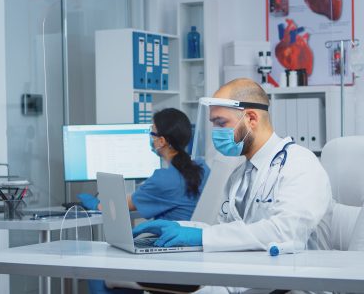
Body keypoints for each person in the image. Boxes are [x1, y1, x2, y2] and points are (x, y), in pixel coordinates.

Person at [132, 78, 333, 293]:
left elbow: (285, 233)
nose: (215, 132)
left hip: (291, 284)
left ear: (251, 118)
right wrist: (183, 229)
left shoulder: (299, 163)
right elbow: (227, 233)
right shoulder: (239, 174)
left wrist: (201, 237)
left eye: (220, 123)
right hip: (249, 278)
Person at [82, 108, 210, 294]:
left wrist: (95, 204)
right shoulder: (202, 168)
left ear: (162, 141)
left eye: (151, 132)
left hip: (170, 255)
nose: (150, 137)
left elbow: (116, 206)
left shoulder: (163, 179)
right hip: (196, 255)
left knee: (97, 269)